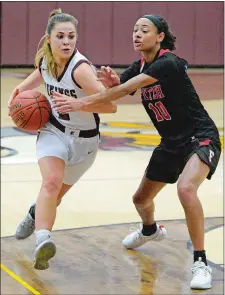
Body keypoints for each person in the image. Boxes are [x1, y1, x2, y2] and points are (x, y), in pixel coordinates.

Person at [51, 15, 221, 289]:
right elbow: (118, 85)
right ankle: (150, 230)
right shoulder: (140, 65)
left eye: (145, 30)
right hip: (170, 143)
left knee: (186, 188)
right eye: (134, 30)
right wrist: (111, 80)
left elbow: (123, 90)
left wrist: (80, 103)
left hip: (199, 137)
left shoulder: (169, 63)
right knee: (141, 200)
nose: (137, 34)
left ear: (160, 36)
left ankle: (200, 261)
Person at [8, 8, 117, 270]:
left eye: (71, 36)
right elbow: (35, 79)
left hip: (86, 142)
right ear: (49, 39)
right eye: (61, 36)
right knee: (51, 183)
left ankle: (34, 214)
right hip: (53, 131)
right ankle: (43, 241)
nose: (66, 41)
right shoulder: (46, 61)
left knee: (54, 197)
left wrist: (78, 104)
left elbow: (110, 107)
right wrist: (19, 93)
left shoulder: (80, 70)